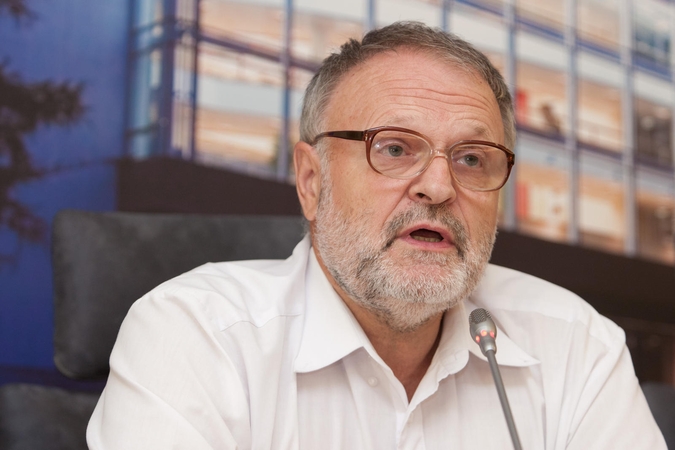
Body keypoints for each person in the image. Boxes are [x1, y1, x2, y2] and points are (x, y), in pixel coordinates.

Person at [87, 22, 666, 449]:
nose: (437, 186)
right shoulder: (196, 336)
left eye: (471, 158)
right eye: (393, 148)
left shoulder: (577, 347)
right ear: (311, 181)